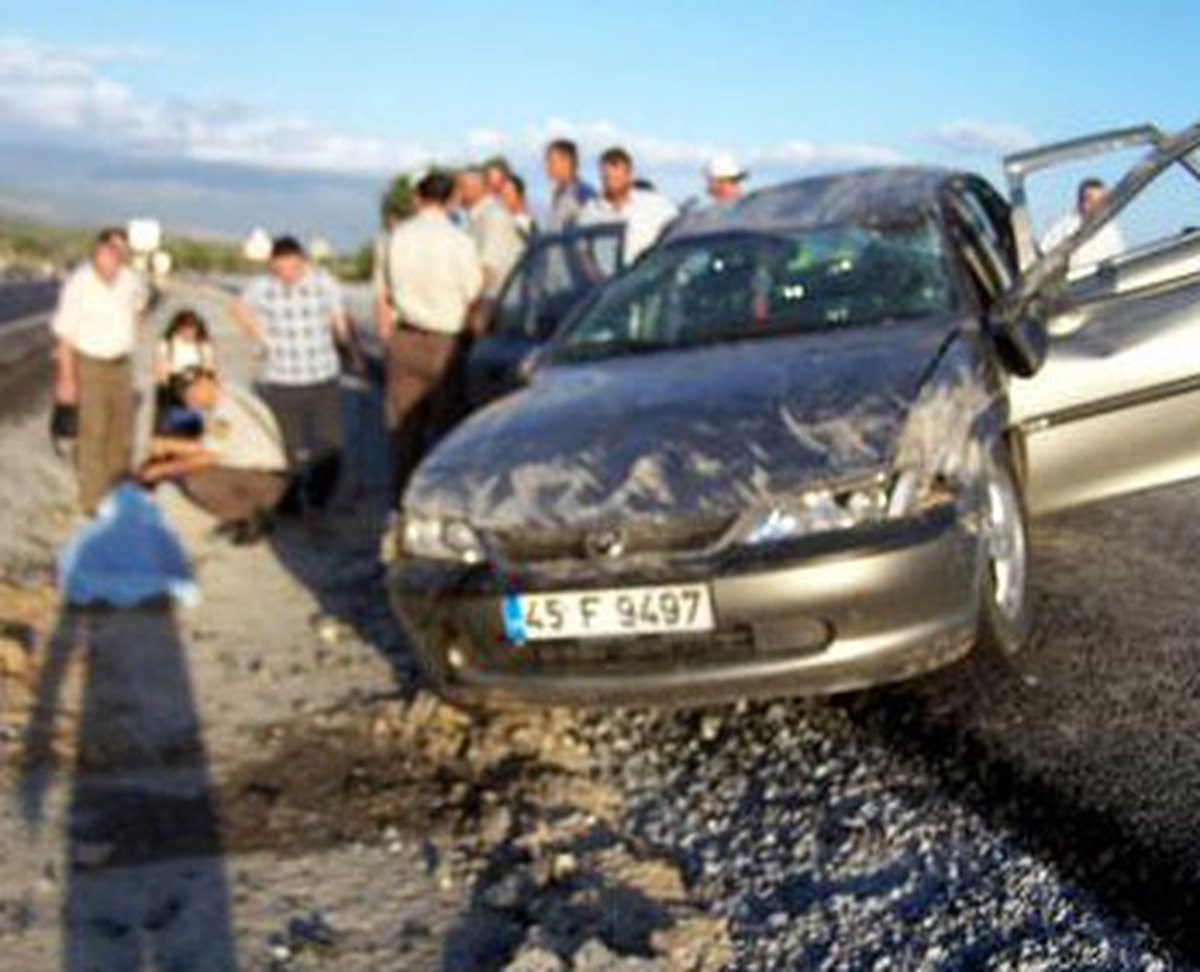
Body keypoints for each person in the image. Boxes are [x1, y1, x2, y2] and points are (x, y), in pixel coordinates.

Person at [384, 169, 484, 501]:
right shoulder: (460, 241)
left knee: (404, 429)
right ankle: (437, 499)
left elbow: (387, 291)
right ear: (453, 198)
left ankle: (401, 499)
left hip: (406, 337)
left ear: (418, 197)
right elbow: (473, 292)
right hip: (446, 343)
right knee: (445, 429)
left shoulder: (398, 237)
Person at [232, 236, 350, 514]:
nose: (287, 275)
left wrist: (349, 351)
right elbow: (238, 308)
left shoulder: (324, 284)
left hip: (322, 374)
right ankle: (290, 500)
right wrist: (259, 336)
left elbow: (339, 320)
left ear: (303, 262)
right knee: (287, 443)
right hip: (282, 378)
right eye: (280, 269)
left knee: (329, 442)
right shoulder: (261, 288)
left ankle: (320, 497)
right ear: (272, 265)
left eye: (293, 268)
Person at [51, 227, 146, 514]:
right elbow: (65, 336)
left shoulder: (130, 279)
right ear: (98, 251)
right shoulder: (79, 283)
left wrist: (133, 330)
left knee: (122, 434)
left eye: (120, 249)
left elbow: (139, 306)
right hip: (90, 365)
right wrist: (66, 379)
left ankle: (118, 495)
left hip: (122, 365)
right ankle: (93, 502)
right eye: (109, 249)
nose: (115, 254)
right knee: (93, 434)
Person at [141, 368, 288, 545]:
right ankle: (247, 510)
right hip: (271, 473)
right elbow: (211, 445)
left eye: (191, 395)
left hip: (267, 480)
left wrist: (161, 467)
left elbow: (207, 455)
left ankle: (250, 515)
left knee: (196, 479)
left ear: (205, 384)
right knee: (192, 464)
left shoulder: (224, 412)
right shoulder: (231, 393)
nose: (191, 404)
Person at [579, 147, 679, 261]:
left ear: (629, 175)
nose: (610, 184)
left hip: (648, 275)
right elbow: (582, 256)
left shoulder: (655, 205)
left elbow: (679, 233)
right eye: (606, 178)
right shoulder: (590, 211)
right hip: (606, 277)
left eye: (616, 178)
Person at [464, 163, 526, 300]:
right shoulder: (477, 217)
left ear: (477, 188)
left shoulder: (494, 217)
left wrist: (464, 301)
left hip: (498, 304)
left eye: (462, 187)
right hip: (491, 300)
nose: (458, 191)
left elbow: (488, 270)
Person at [1040, 176, 1126, 271]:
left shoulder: (1111, 231)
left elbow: (1119, 262)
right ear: (1080, 200)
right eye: (1090, 199)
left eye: (1100, 200)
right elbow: (1043, 256)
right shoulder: (1064, 228)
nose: (1095, 204)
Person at [154, 309, 216, 429]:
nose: (188, 332)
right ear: (177, 328)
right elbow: (161, 376)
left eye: (192, 328)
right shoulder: (166, 345)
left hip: (198, 397)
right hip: (173, 397)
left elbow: (209, 373)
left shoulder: (204, 346)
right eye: (185, 328)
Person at [543, 139, 596, 232]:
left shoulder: (583, 194)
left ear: (566, 161)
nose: (547, 166)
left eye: (551, 161)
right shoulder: (557, 194)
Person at [502, 174, 535, 239]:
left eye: (507, 194)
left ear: (520, 196)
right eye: (502, 195)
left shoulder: (525, 224)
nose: (503, 200)